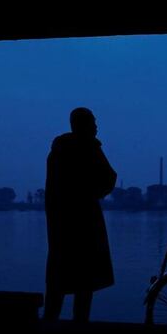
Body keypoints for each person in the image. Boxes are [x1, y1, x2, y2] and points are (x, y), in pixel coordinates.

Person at [43, 107, 117, 322]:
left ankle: (48, 327)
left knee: (58, 280)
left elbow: (53, 192)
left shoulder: (57, 151)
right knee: (85, 282)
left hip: (60, 227)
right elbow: (109, 178)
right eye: (93, 122)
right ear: (83, 124)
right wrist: (93, 193)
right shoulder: (89, 148)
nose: (96, 126)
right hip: (86, 225)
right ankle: (79, 330)